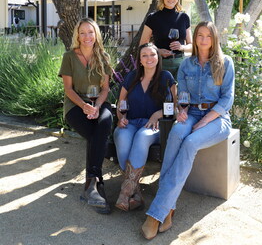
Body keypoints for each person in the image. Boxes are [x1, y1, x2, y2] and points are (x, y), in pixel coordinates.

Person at [141, 21, 235, 239]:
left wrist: (204, 121)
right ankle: (169, 207)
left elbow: (227, 99)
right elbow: (182, 96)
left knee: (191, 142)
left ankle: (155, 214)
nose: (203, 40)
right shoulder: (186, 64)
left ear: (214, 39)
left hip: (217, 118)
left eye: (208, 36)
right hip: (191, 114)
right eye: (200, 35)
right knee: (175, 134)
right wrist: (181, 110)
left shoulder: (225, 62)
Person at [113, 43, 176, 212]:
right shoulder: (131, 77)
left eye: (152, 55)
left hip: (154, 125)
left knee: (142, 136)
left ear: (158, 57)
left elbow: (176, 106)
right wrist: (121, 118)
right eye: (144, 56)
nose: (149, 58)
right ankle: (135, 193)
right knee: (121, 135)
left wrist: (158, 114)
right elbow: (121, 104)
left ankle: (125, 193)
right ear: (140, 60)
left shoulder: (166, 77)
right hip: (131, 122)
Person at [59, 18, 113, 214]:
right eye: (83, 33)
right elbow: (68, 89)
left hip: (98, 102)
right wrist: (84, 106)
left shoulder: (104, 57)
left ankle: (92, 184)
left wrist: (97, 106)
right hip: (75, 105)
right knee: (95, 135)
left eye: (90, 32)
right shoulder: (69, 57)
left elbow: (106, 88)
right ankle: (96, 184)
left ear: (96, 34)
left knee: (105, 122)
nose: (87, 36)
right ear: (77, 36)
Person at [140, 0, 192, 77]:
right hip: (160, 64)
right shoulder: (153, 18)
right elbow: (142, 44)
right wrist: (157, 51)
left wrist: (182, 47)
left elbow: (192, 46)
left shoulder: (184, 17)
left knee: (180, 92)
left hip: (181, 66)